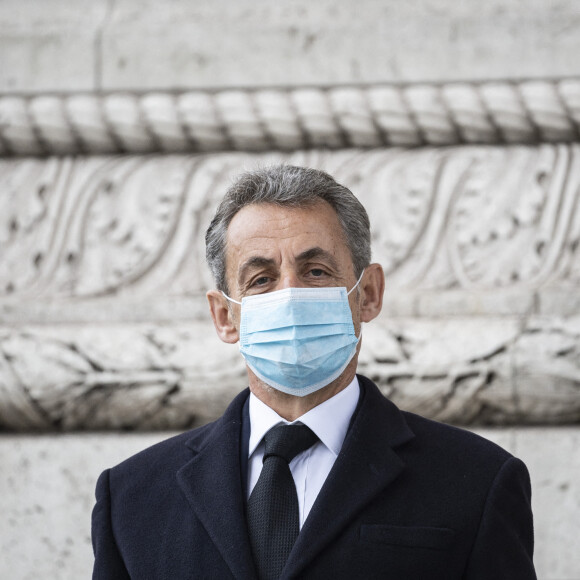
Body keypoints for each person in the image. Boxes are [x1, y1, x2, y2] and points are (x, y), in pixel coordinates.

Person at [92, 164, 536, 579]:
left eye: (316, 271)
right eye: (261, 279)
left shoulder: (477, 482)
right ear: (225, 317)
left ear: (369, 295)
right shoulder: (132, 496)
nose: (290, 294)